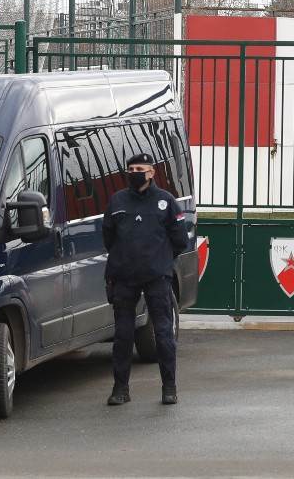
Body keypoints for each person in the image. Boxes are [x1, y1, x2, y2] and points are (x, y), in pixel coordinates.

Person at [102, 152, 188, 406]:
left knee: (163, 334)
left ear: (151, 172)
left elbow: (180, 240)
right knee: (123, 336)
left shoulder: (166, 201)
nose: (135, 172)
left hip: (156, 278)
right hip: (124, 278)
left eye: (140, 168)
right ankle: (120, 389)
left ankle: (169, 388)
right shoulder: (117, 201)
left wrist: (159, 260)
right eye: (131, 168)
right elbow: (109, 238)